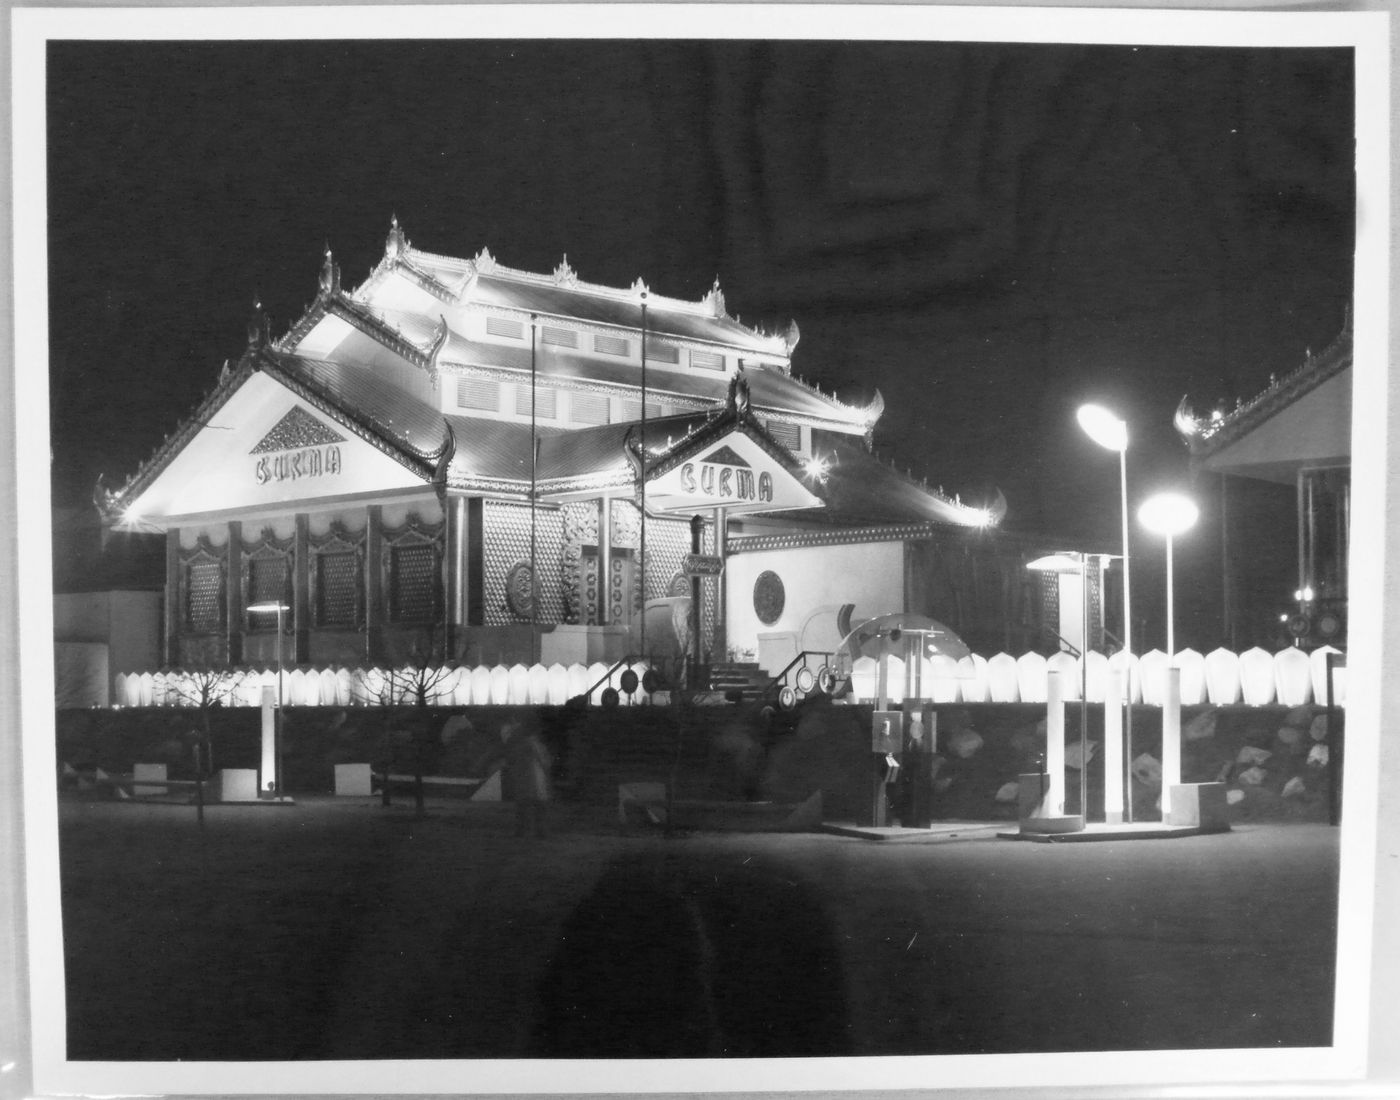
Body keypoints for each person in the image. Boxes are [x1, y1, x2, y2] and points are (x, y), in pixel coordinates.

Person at [503, 720, 553, 837]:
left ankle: (523, 830)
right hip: (536, 779)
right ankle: (540, 831)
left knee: (523, 806)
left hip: (524, 779)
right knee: (538, 806)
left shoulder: (519, 745)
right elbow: (545, 762)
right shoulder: (535, 744)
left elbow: (511, 761)